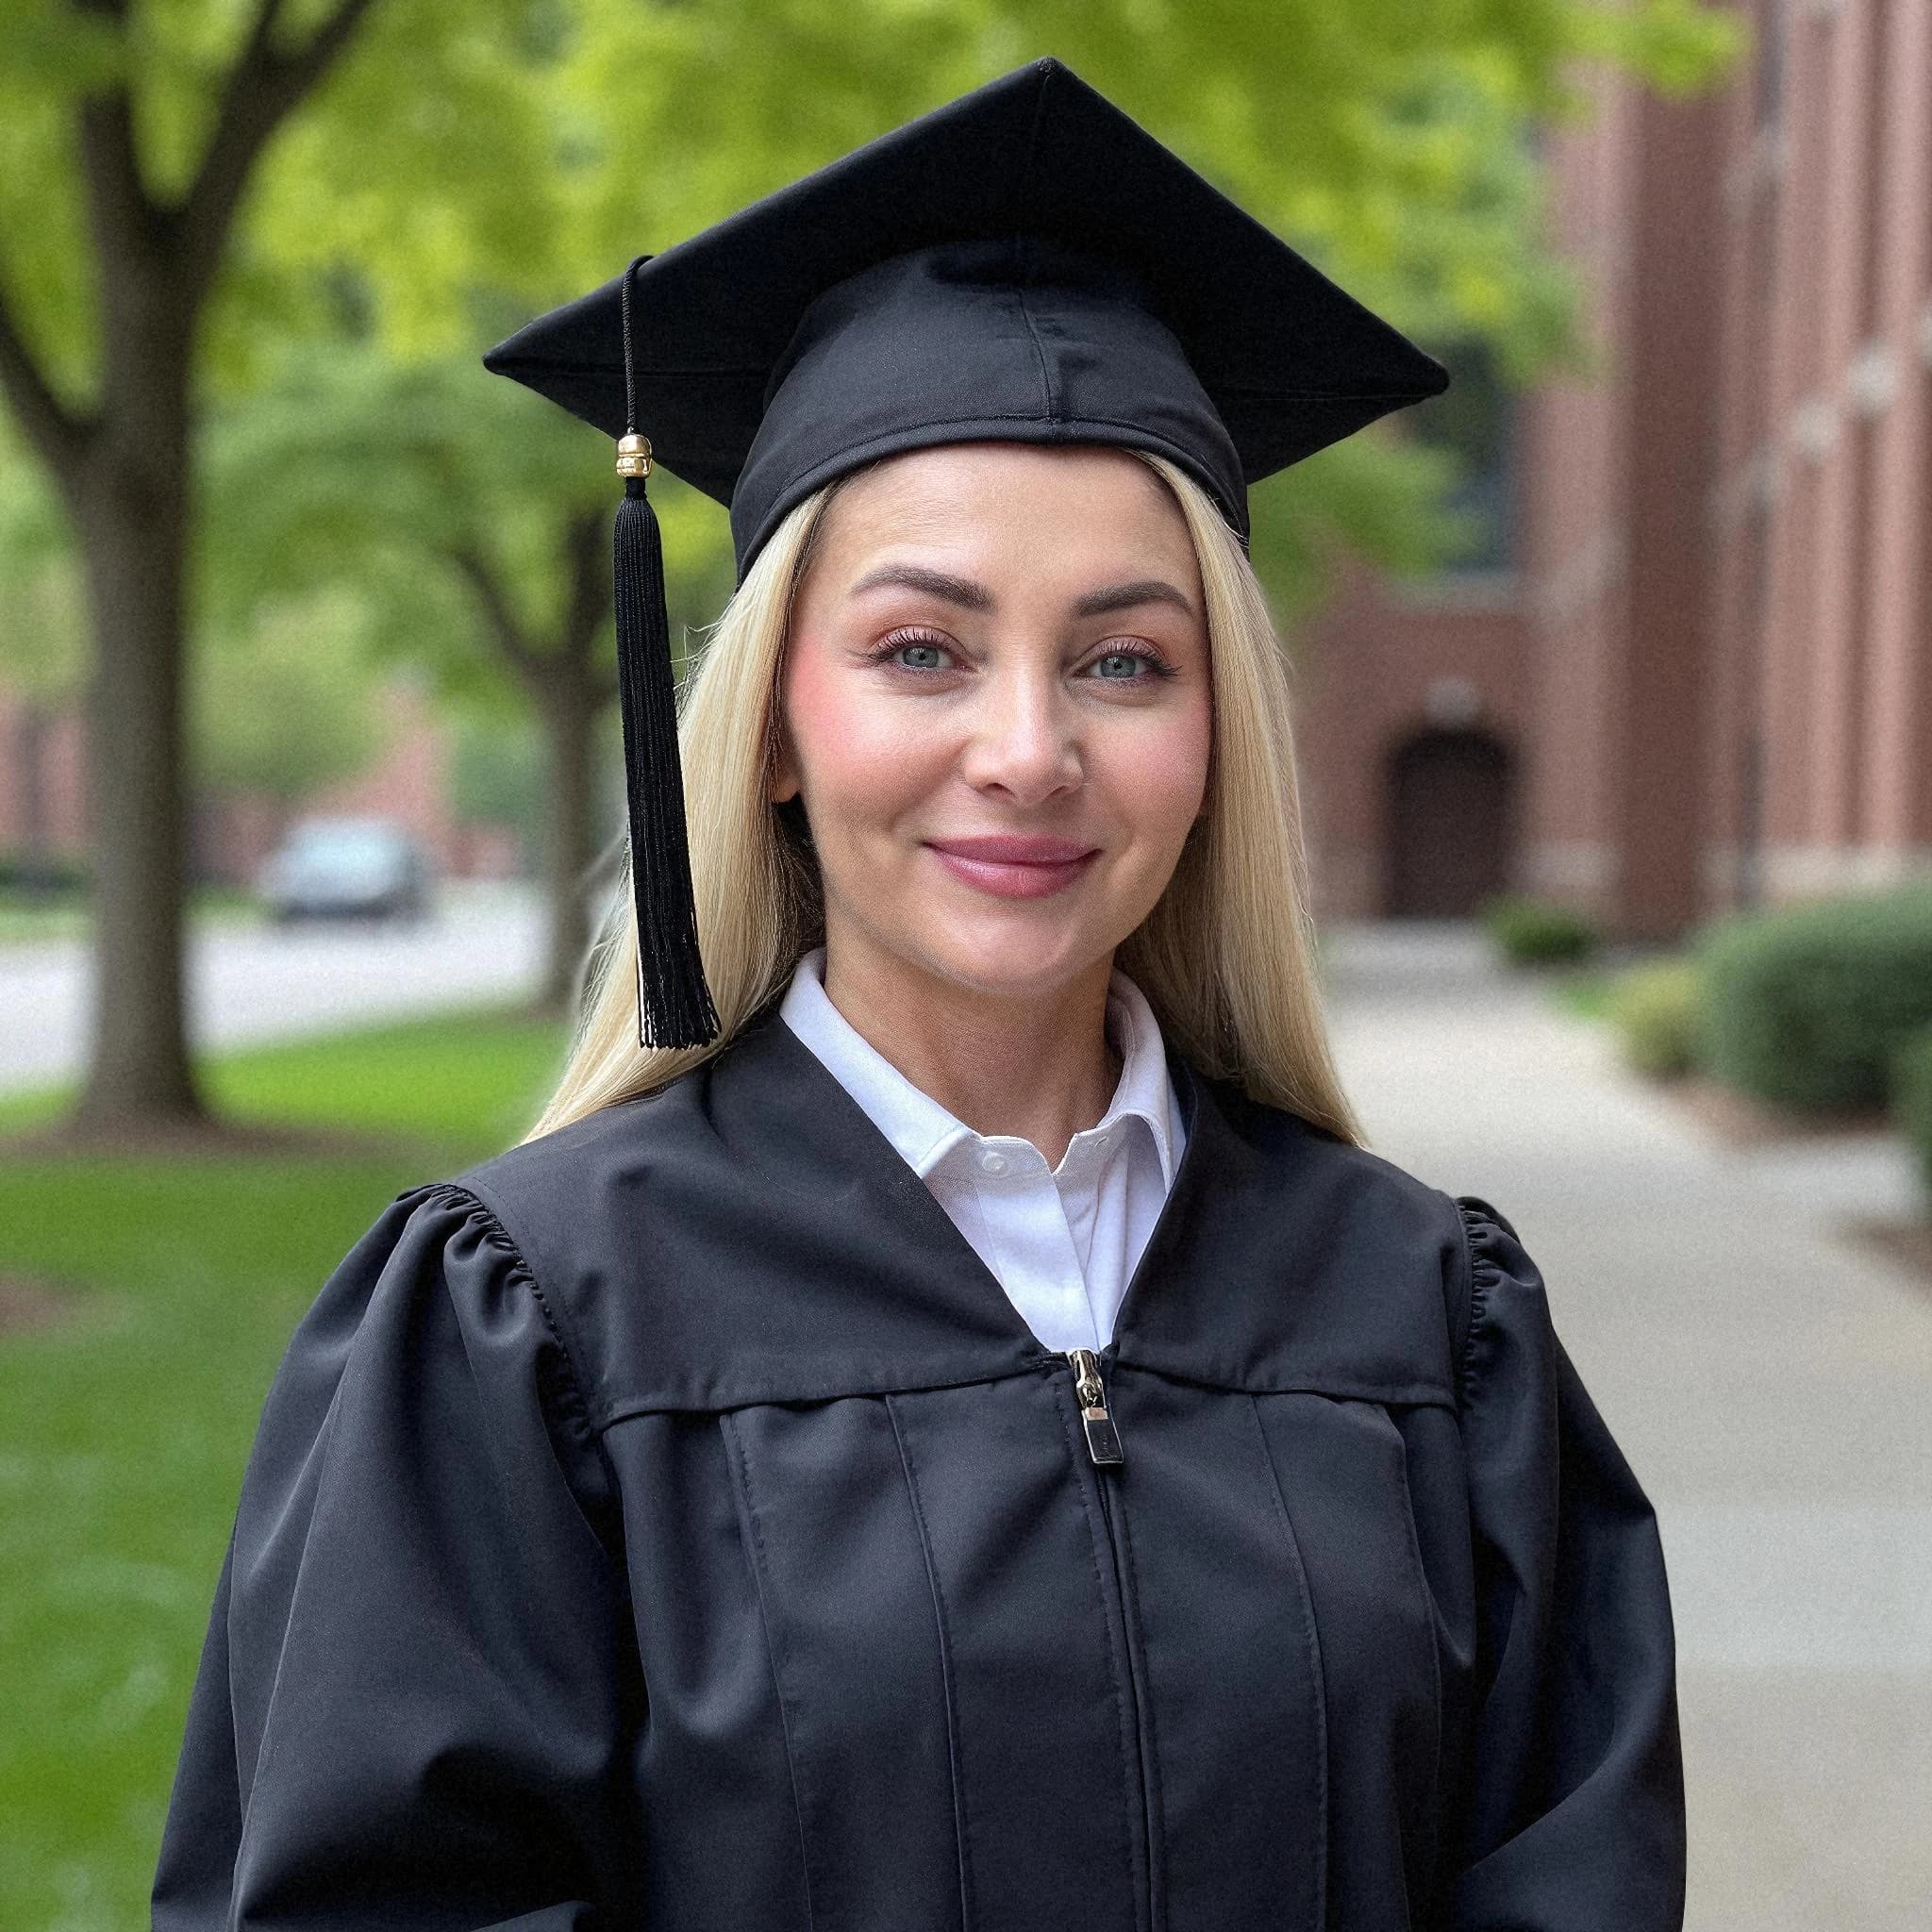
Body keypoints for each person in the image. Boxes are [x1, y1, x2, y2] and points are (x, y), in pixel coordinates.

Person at [152, 57, 1686, 1932]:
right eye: (919, 650)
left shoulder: (1425, 1320)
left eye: (1124, 658)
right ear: (776, 726)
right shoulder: (530, 1328)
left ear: (1219, 736)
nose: (1027, 749)